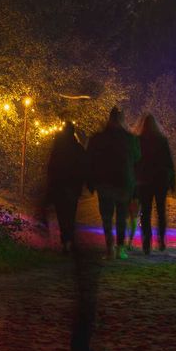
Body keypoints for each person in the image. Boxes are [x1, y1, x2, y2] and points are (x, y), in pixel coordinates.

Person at [87, 106, 140, 260]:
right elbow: (137, 159)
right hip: (123, 182)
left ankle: (109, 247)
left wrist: (91, 182)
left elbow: (90, 161)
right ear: (123, 120)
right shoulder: (131, 139)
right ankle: (120, 249)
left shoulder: (97, 138)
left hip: (104, 183)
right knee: (121, 216)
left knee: (106, 217)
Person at [135, 114, 176, 254]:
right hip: (160, 181)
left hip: (144, 181)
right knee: (161, 211)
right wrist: (172, 183)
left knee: (145, 212)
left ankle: (147, 240)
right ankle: (161, 239)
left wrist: (135, 180)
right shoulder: (162, 141)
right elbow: (169, 163)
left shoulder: (139, 140)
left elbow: (136, 162)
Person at [46, 121, 88, 254]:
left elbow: (51, 167)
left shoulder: (58, 148)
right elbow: (83, 167)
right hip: (73, 186)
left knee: (61, 215)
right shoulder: (78, 148)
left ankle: (65, 241)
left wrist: (51, 183)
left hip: (59, 185)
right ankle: (69, 240)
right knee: (71, 214)